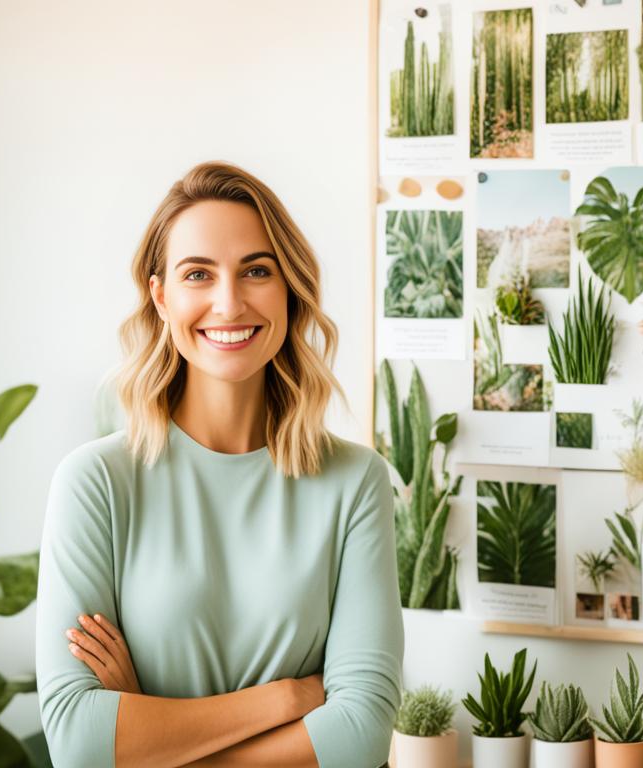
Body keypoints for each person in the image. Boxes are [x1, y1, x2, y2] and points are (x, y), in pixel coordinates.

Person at [34, 161, 403, 767]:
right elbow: (77, 741)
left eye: (256, 271)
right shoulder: (95, 484)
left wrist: (149, 734)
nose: (228, 303)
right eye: (198, 274)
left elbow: (360, 736)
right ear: (161, 296)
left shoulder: (355, 482)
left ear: (289, 288)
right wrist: (291, 697)